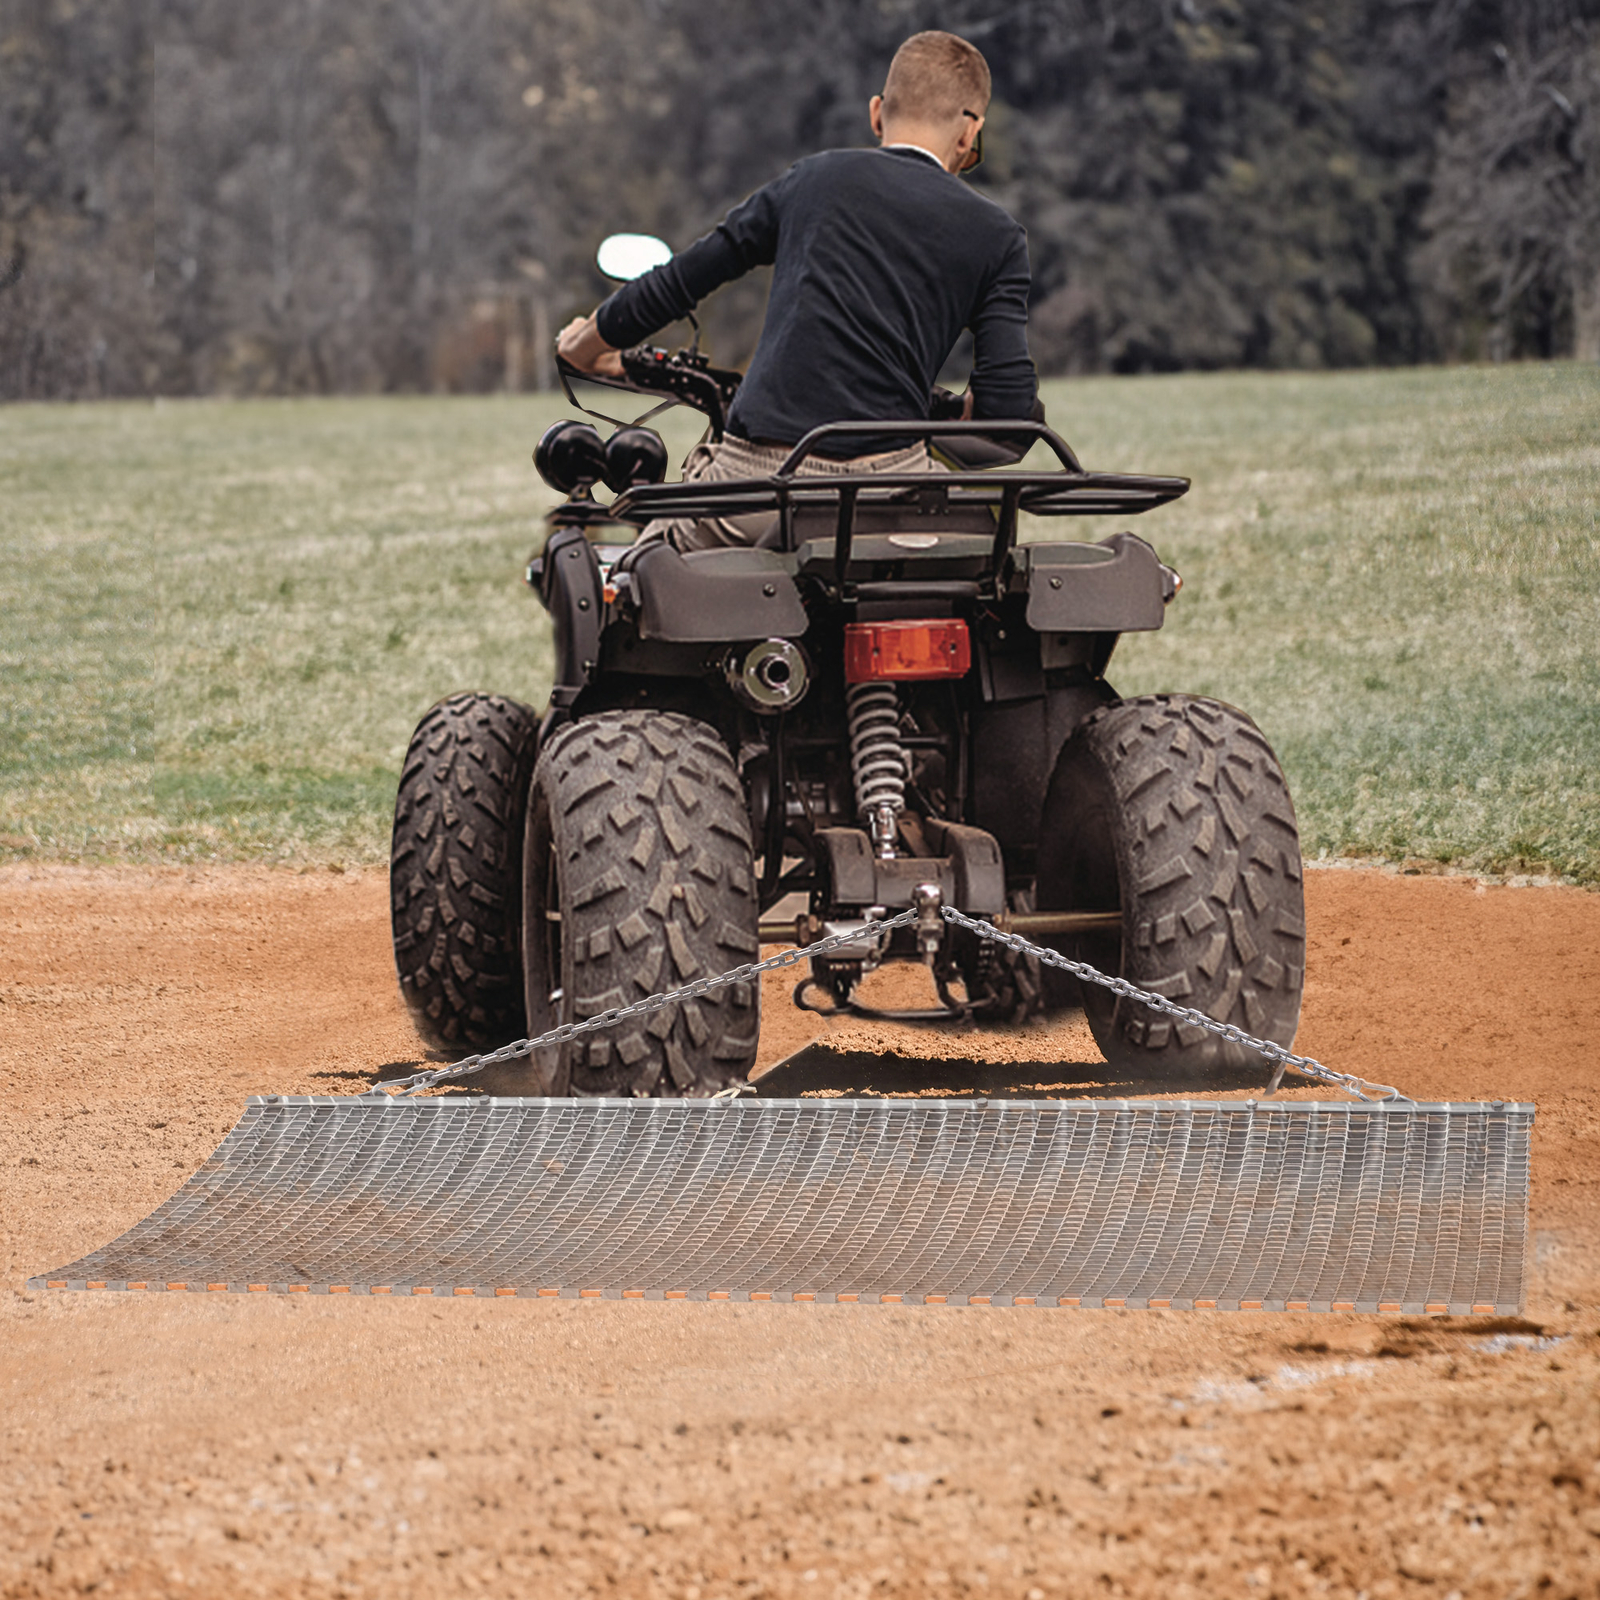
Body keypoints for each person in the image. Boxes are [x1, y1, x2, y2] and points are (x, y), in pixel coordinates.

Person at [556, 30, 1038, 551]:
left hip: (761, 486)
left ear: (878, 113)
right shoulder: (998, 235)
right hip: (894, 491)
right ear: (969, 133)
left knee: (643, 570)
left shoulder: (812, 181)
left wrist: (584, 347)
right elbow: (1007, 410)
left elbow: (681, 280)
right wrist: (968, 409)